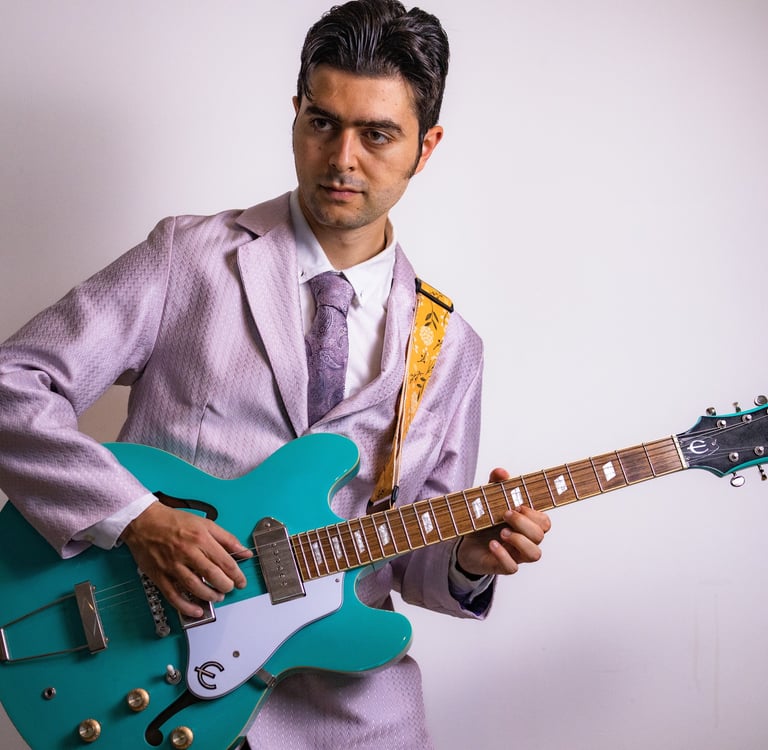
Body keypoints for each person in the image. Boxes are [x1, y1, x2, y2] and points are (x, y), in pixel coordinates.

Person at [0, 0, 550, 747]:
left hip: (351, 720)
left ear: (428, 146)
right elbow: (14, 384)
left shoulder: (450, 347)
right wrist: (137, 518)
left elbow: (406, 553)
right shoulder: (185, 259)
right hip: (152, 687)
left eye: (378, 134)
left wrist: (464, 556)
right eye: (323, 122)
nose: (342, 158)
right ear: (296, 113)